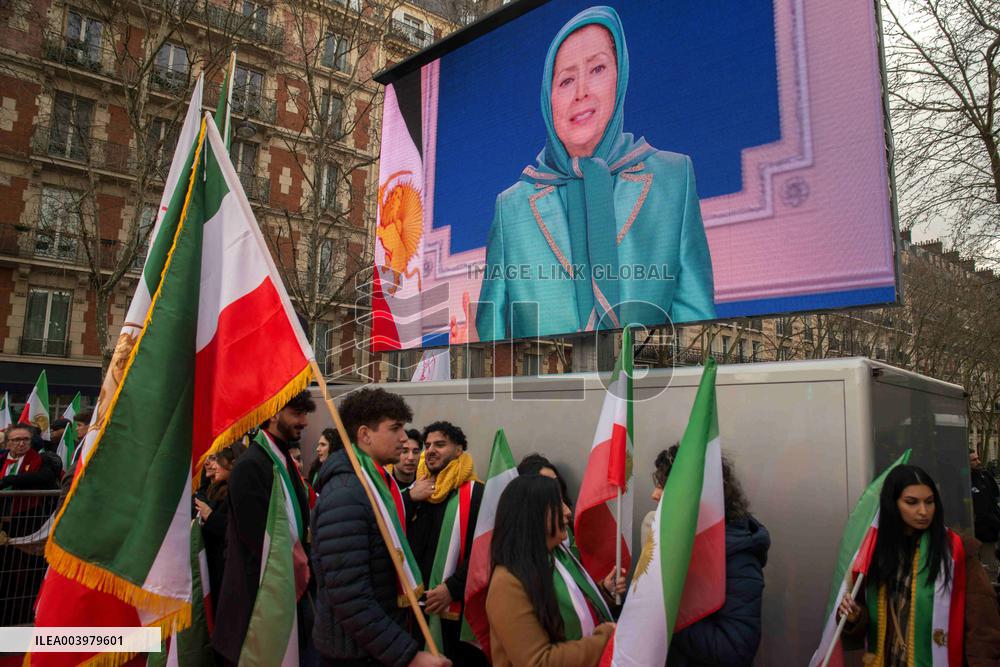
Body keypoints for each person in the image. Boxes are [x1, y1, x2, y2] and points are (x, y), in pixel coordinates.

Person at [475, 5, 715, 342]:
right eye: (566, 79)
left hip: (647, 391)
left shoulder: (674, 178)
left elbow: (696, 327)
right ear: (549, 98)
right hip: (543, 394)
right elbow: (491, 342)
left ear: (621, 77)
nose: (581, 92)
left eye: (598, 68)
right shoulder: (511, 207)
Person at [311, 387, 449, 667]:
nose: (403, 437)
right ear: (364, 434)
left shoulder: (371, 483)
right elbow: (350, 596)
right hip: (355, 655)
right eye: (395, 428)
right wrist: (408, 656)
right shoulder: (346, 493)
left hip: (374, 647)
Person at [839, 465, 1000, 665]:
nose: (923, 511)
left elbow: (983, 630)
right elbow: (874, 626)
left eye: (929, 502)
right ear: (892, 504)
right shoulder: (875, 553)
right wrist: (856, 616)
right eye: (911, 502)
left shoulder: (957, 552)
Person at [212, 391, 315, 663]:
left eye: (305, 414)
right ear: (274, 413)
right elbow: (256, 540)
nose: (304, 421)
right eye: (297, 413)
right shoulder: (251, 465)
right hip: (257, 602)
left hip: (287, 592)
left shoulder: (281, 460)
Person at [651, 445, 770, 666]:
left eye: (663, 485)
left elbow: (735, 649)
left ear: (694, 493)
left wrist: (667, 617)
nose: (654, 494)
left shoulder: (738, 560)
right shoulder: (676, 541)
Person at [486, 474, 614, 666]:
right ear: (532, 515)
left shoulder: (558, 555)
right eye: (557, 505)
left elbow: (568, 608)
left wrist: (602, 592)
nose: (567, 512)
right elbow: (537, 661)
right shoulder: (507, 582)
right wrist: (606, 638)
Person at [406, 421, 486, 664]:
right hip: (416, 610)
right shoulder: (417, 492)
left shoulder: (476, 494)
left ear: (459, 449)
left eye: (440, 444)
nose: (430, 450)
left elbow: (484, 552)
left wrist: (452, 588)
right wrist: (409, 499)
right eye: (427, 445)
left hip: (457, 613)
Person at [517, 453, 625, 602]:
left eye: (556, 483)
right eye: (546, 484)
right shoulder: (523, 568)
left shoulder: (568, 530)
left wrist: (604, 591)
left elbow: (578, 598)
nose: (567, 512)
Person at [195, 443, 243, 601]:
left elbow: (234, 528)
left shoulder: (239, 491)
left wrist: (209, 515)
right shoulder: (213, 489)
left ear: (231, 462)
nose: (210, 464)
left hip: (226, 570)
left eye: (215, 458)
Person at [969, 447, 1000, 574]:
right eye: (974, 460)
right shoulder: (964, 480)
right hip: (974, 530)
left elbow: (995, 495)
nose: (979, 461)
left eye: (978, 458)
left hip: (990, 530)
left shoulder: (985, 475)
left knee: (991, 565)